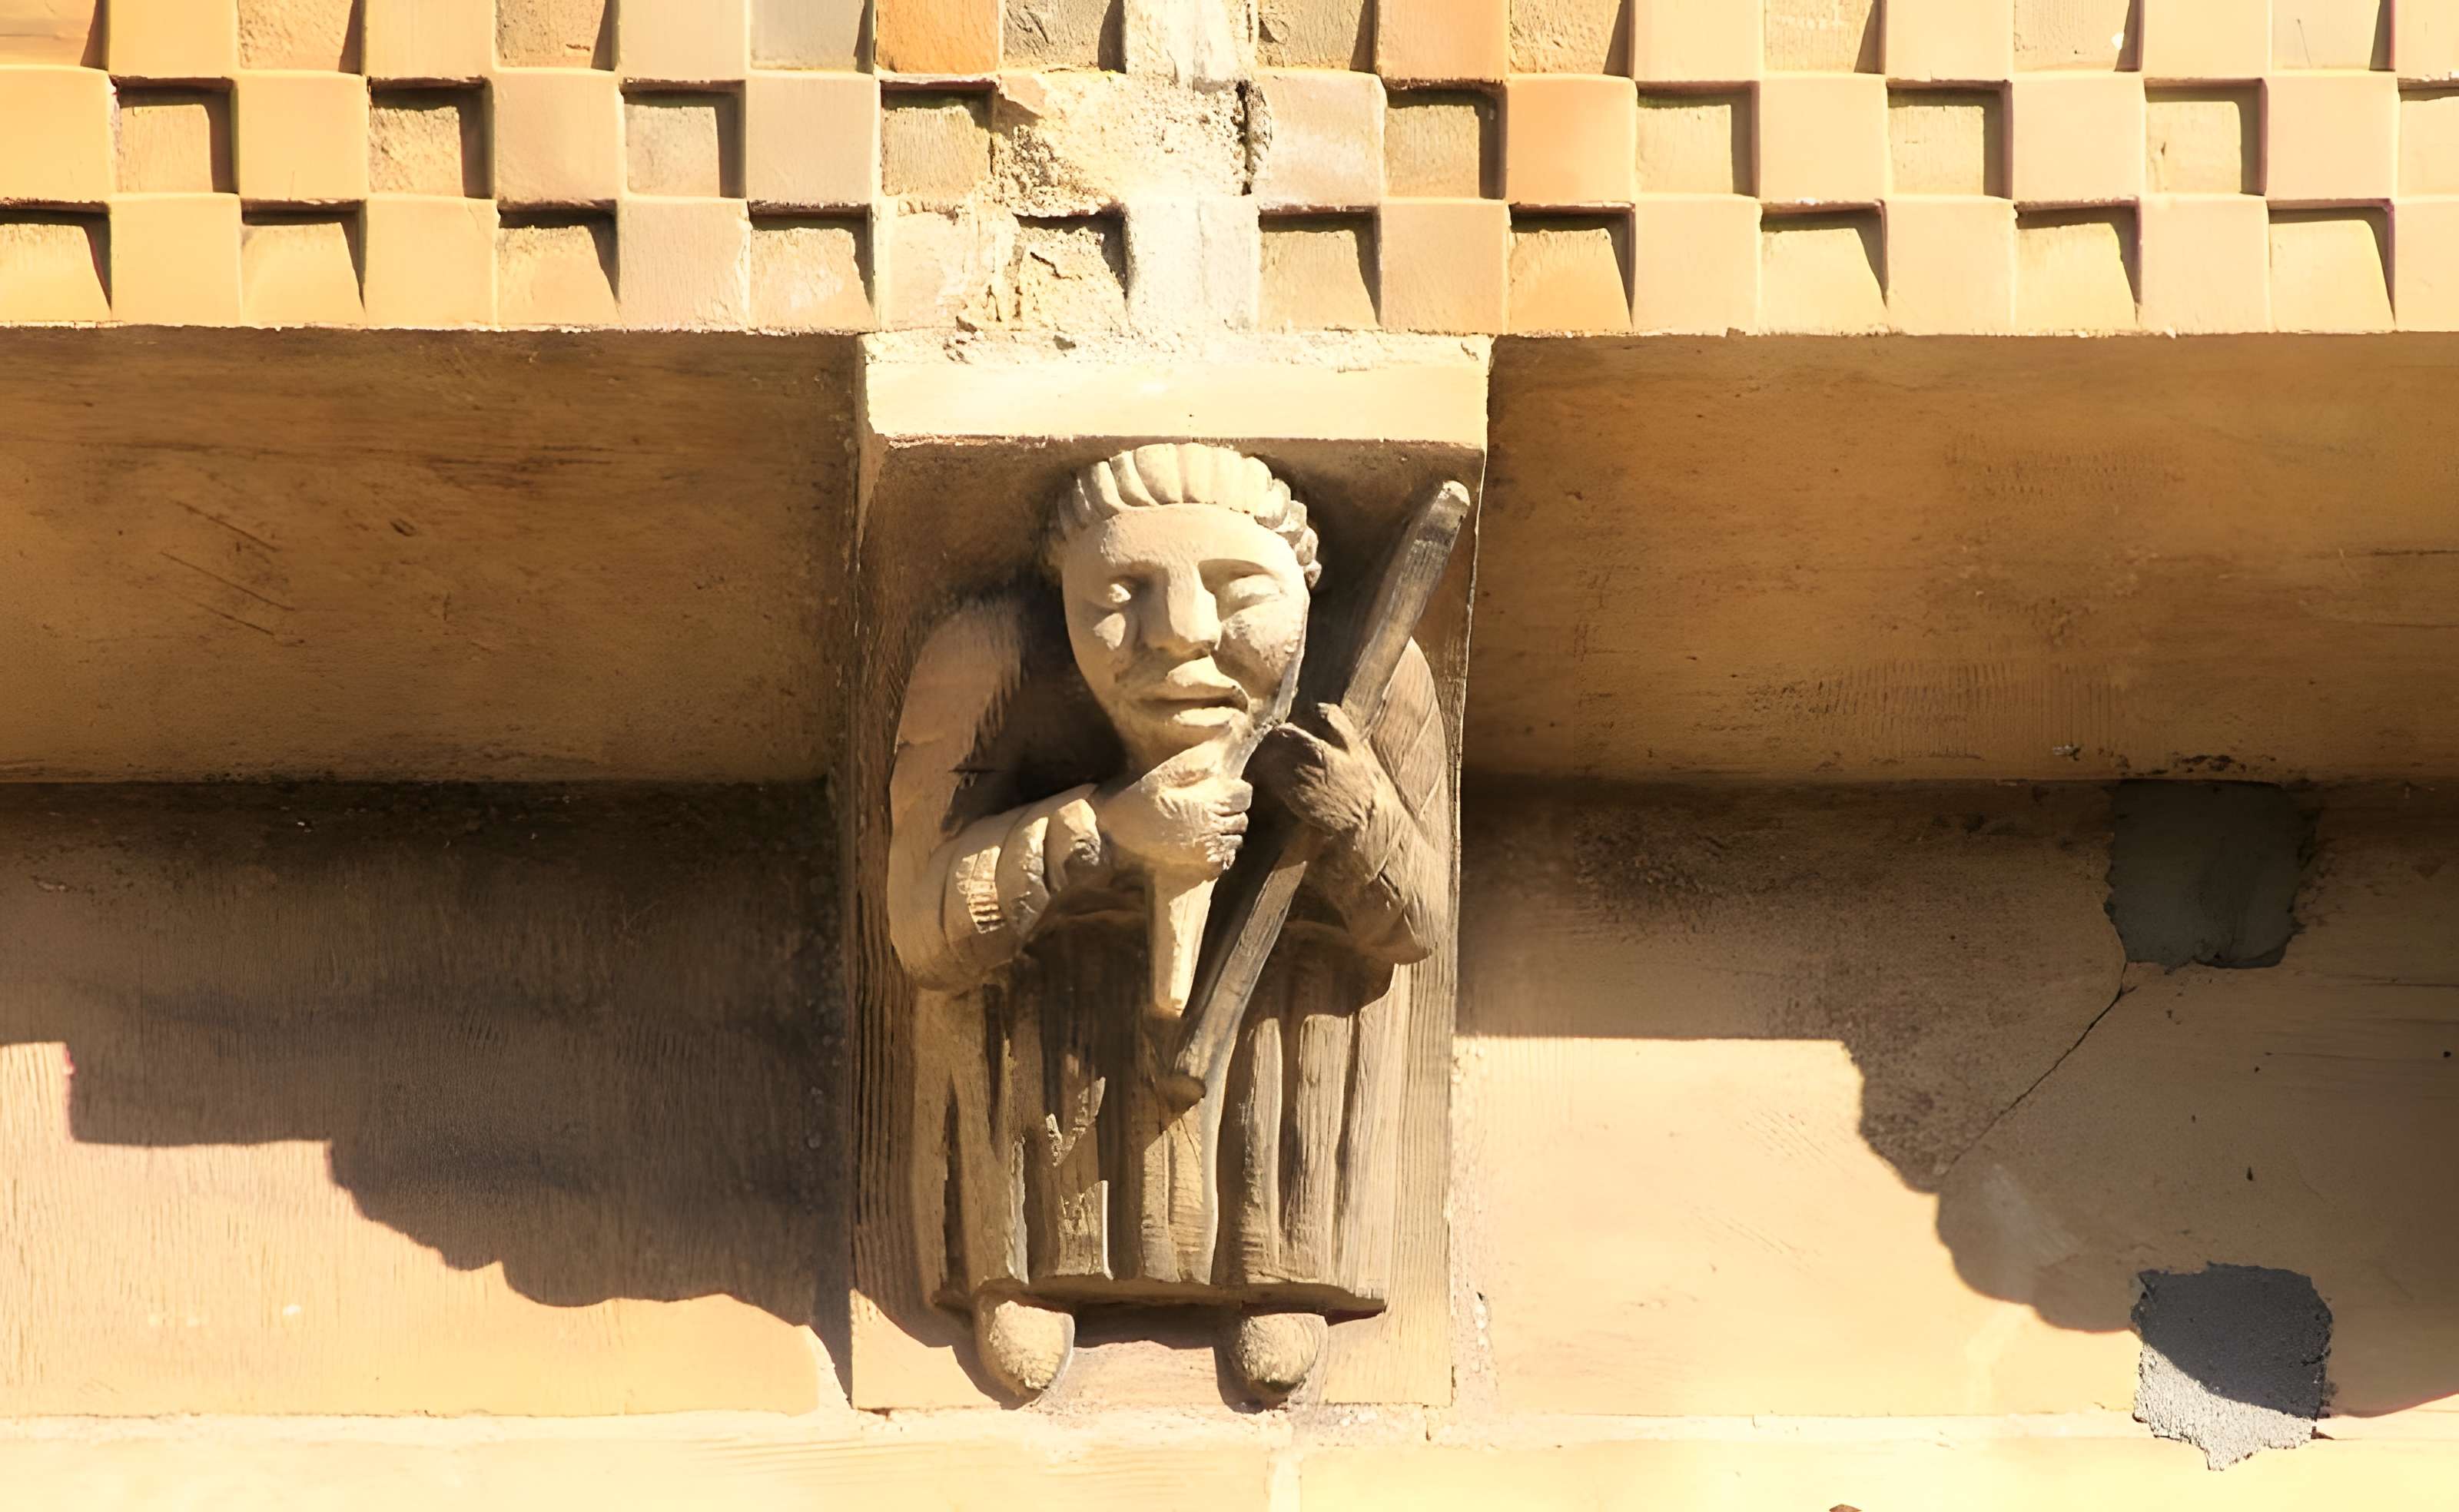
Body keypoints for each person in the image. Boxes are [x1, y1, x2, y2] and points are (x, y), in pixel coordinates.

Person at [888, 443, 1450, 1402]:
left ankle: (1280, 1267)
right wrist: (1101, 832)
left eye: (1239, 594)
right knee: (1013, 1013)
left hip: (1273, 1080)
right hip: (1053, 1069)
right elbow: (919, 926)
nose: (1181, 632)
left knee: (1308, 1012)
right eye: (1121, 592)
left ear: (1304, 596)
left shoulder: (1379, 677)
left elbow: (1418, 925)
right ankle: (1021, 1267)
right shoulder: (992, 662)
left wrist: (1357, 814)